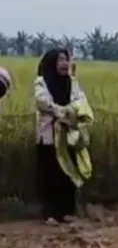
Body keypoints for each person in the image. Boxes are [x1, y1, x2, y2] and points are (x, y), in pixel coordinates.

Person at [35, 48, 87, 224]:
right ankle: (50, 213)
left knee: (68, 173)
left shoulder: (72, 83)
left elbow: (80, 101)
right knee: (50, 174)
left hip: (68, 135)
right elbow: (42, 102)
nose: (65, 63)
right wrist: (63, 112)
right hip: (49, 137)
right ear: (51, 63)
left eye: (67, 59)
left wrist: (72, 112)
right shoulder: (41, 82)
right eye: (61, 60)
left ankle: (66, 211)